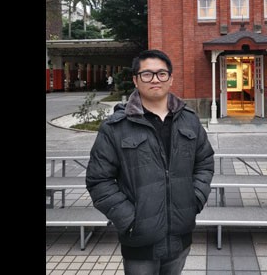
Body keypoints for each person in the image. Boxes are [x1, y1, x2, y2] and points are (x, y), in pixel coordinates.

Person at [86, 50, 215, 275]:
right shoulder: (115, 127)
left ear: (171, 78)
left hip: (180, 235)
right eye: (147, 74)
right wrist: (128, 219)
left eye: (161, 73)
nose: (155, 79)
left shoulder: (190, 121)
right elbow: (99, 180)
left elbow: (204, 162)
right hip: (138, 239)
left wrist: (194, 200)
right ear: (135, 80)